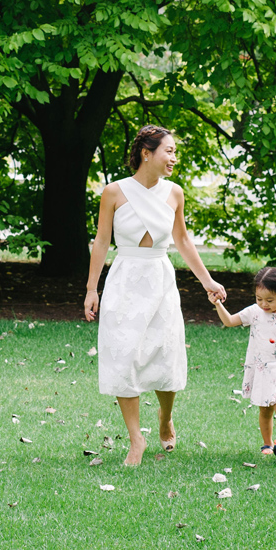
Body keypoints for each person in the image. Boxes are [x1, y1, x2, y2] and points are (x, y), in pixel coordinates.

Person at [83, 124, 227, 466]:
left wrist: (208, 281)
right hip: (125, 277)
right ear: (147, 153)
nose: (174, 158)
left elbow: (183, 241)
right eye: (169, 151)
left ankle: (165, 417)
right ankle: (136, 439)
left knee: (164, 352)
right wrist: (92, 288)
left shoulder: (174, 193)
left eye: (175, 151)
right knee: (122, 353)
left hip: (159, 278)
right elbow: (102, 241)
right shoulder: (114, 192)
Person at [212, 266, 276, 462]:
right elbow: (230, 321)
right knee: (265, 408)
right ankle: (267, 443)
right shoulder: (254, 312)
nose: (264, 304)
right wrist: (218, 304)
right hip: (261, 367)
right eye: (259, 299)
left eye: (269, 300)